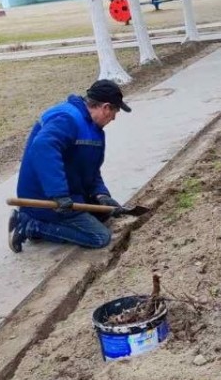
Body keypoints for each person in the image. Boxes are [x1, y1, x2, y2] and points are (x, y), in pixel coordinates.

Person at [7, 79, 131, 253]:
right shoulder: (68, 119)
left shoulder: (93, 129)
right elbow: (43, 147)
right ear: (106, 107)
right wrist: (58, 194)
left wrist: (101, 194)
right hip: (45, 199)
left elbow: (89, 168)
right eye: (115, 112)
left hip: (71, 193)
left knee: (104, 213)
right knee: (99, 237)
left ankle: (43, 221)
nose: (114, 118)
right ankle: (30, 225)